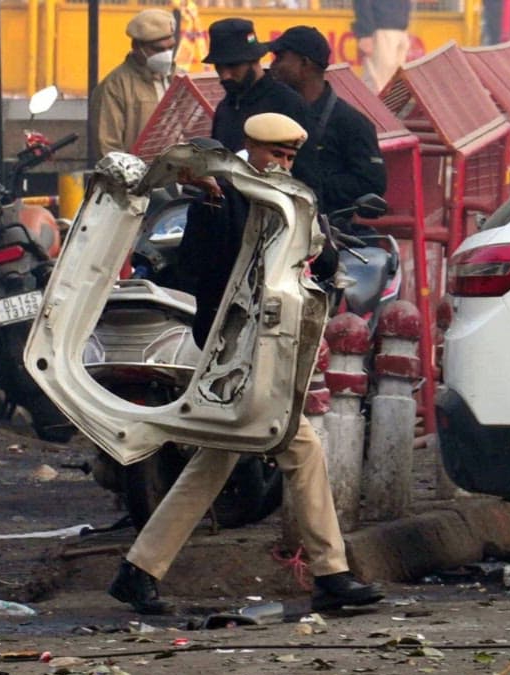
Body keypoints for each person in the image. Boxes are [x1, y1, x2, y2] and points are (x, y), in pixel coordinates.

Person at [108, 113, 382, 616]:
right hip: (231, 347)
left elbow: (322, 263)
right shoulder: (221, 194)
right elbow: (198, 265)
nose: (282, 164)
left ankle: (139, 570)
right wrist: (212, 201)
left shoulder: (290, 197)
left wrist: (316, 234)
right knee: (299, 446)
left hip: (266, 345)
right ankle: (331, 573)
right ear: (249, 148)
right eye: (275, 154)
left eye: (289, 156)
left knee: (217, 458)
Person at [268, 25, 387, 217]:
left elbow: (371, 182)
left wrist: (307, 185)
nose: (273, 66)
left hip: (329, 226)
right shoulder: (273, 112)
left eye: (280, 58)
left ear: (304, 63)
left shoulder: (352, 123)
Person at [203, 17, 319, 187]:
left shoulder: (288, 104)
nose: (225, 75)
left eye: (233, 66)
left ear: (254, 60)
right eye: (219, 67)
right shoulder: (225, 109)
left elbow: (307, 177)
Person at [88, 8, 177, 161]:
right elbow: (108, 149)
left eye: (171, 48)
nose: (166, 55)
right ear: (137, 47)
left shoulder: (176, 78)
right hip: (138, 173)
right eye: (158, 49)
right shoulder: (115, 86)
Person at [352, 0, 411, 93]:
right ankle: (369, 102)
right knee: (376, 82)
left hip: (400, 28)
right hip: (380, 29)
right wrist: (365, 33)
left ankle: (376, 101)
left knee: (393, 83)